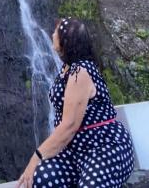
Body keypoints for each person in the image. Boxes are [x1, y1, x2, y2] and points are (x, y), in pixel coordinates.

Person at [16, 17, 134, 188]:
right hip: (74, 152)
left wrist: (36, 157)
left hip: (103, 148)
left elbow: (69, 125)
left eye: (56, 32)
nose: (52, 34)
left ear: (65, 41)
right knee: (41, 178)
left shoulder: (81, 71)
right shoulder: (67, 68)